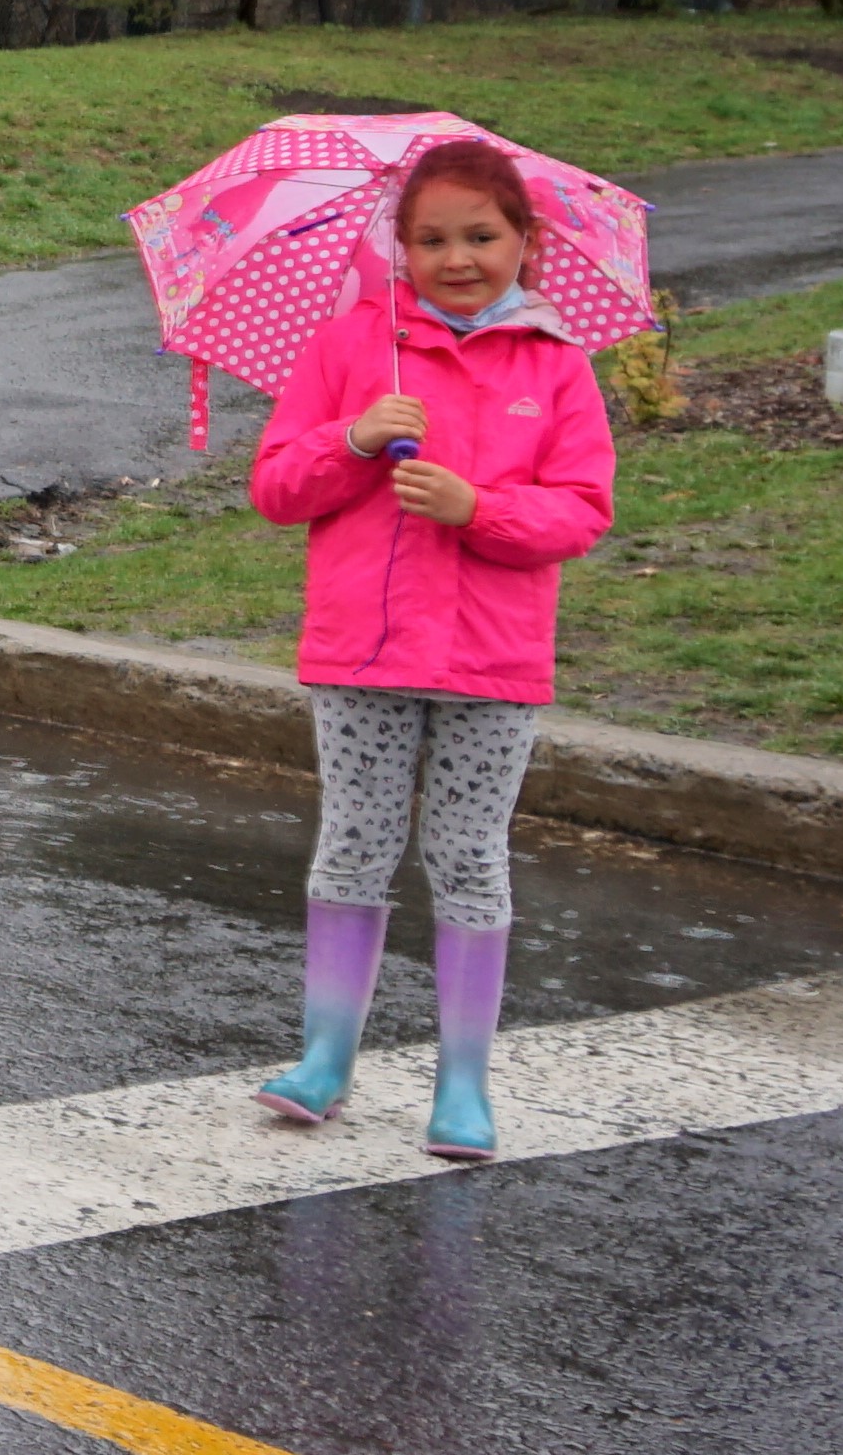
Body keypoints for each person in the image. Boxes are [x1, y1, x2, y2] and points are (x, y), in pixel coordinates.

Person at [243, 141, 617, 1162]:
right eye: (432, 239)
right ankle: (325, 1059)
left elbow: (583, 511)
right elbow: (276, 488)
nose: (459, 258)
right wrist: (352, 441)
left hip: (491, 661)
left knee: (468, 854)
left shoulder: (556, 365)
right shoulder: (351, 348)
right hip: (362, 649)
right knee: (354, 844)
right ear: (396, 246)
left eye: (483, 236)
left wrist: (476, 507)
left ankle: (463, 1084)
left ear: (526, 242)